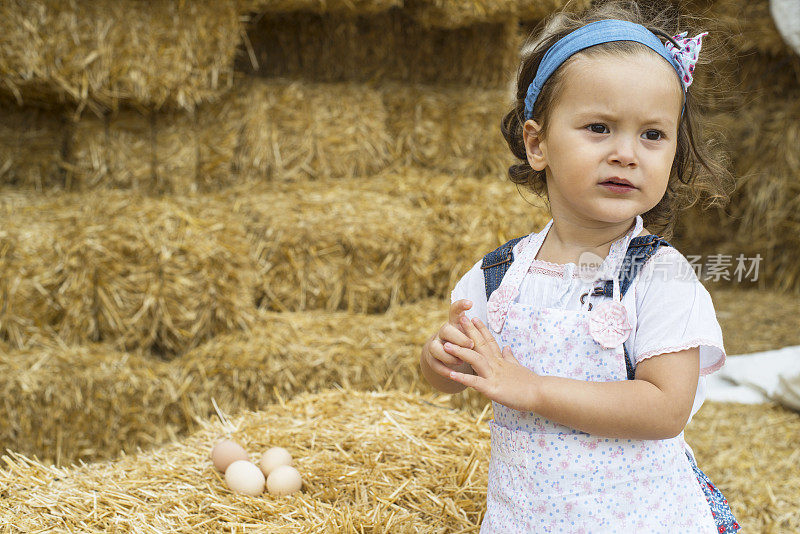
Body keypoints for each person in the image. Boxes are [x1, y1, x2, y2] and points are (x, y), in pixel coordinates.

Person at [418, 1, 740, 532]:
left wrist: (534, 388)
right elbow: (455, 380)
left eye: (652, 135)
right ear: (537, 143)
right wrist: (442, 361)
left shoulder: (662, 276)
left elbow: (665, 409)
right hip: (527, 517)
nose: (626, 153)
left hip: (637, 519)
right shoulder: (500, 273)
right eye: (598, 127)